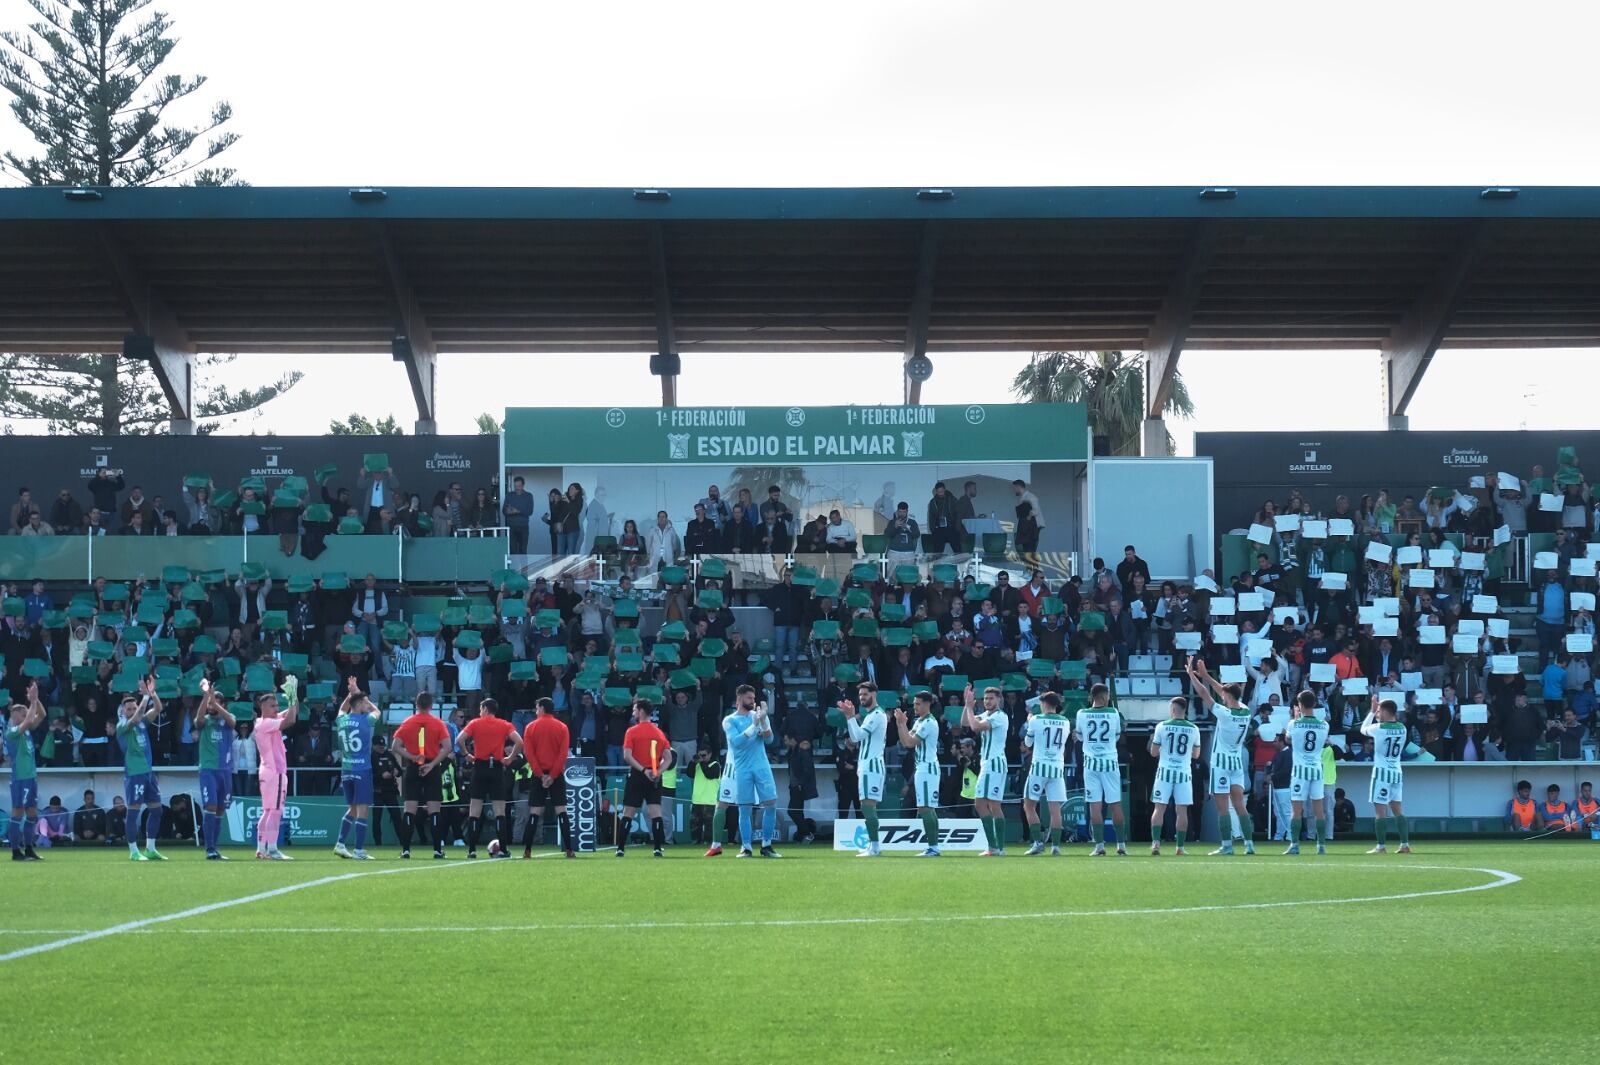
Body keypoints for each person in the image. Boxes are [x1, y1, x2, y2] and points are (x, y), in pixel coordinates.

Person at [1188, 658, 1256, 855]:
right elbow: (1222, 692)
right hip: (1236, 762)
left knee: (1223, 807)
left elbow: (1204, 694)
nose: (1222, 697)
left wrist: (1192, 675)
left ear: (1228, 696)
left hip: (1221, 763)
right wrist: (1207, 676)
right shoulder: (1245, 711)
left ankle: (1227, 845)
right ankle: (1249, 844)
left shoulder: (1225, 714)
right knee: (1239, 805)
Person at [456, 697, 523, 859]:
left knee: (475, 810)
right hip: (497, 768)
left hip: (480, 767)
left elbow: (459, 739)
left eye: (480, 709)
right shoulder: (504, 724)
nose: (480, 712)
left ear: (485, 709)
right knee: (500, 811)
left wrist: (466, 755)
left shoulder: (475, 723)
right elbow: (519, 742)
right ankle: (504, 849)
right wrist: (510, 758)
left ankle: (471, 850)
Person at [722, 684, 781, 858]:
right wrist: (754, 726)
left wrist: (763, 722)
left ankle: (766, 845)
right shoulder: (729, 720)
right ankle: (746, 847)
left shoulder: (758, 715)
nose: (753, 701)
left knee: (771, 805)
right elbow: (736, 742)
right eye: (749, 698)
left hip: (761, 766)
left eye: (754, 698)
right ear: (739, 699)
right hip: (742, 769)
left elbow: (770, 740)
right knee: (745, 809)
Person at [393, 692, 453, 859]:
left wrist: (412, 757)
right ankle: (437, 850)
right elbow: (447, 747)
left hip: (413, 766)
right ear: (431, 705)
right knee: (434, 810)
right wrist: (432, 764)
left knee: (409, 810)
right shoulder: (437, 723)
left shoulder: (408, 722)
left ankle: (405, 850)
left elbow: (395, 746)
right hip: (431, 766)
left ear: (416, 704)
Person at [116, 677, 167, 861]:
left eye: (133, 707)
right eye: (128, 709)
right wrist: (145, 697)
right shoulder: (122, 726)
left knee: (157, 810)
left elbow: (158, 709)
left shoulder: (143, 724)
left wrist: (152, 694)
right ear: (123, 711)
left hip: (148, 773)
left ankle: (150, 849)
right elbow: (136, 717)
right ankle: (133, 851)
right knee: (134, 811)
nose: (131, 711)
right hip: (134, 774)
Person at [615, 700, 674, 857]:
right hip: (654, 776)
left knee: (628, 812)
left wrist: (642, 770)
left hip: (637, 775)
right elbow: (668, 758)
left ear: (641, 711)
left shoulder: (632, 732)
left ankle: (620, 848)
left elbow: (627, 756)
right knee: (656, 812)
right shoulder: (659, 733)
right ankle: (657, 848)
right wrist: (658, 771)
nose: (633, 713)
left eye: (635, 710)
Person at [251, 680, 299, 861]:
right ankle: (272, 849)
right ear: (262, 707)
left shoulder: (264, 721)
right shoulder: (266, 724)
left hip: (266, 772)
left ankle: (261, 848)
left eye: (277, 705)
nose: (276, 708)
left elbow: (294, 712)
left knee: (268, 811)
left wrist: (294, 696)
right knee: (276, 811)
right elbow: (291, 720)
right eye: (272, 706)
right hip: (275, 772)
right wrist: (293, 696)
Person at [1076, 683, 1127, 856]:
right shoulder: (1114, 713)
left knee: (1095, 805)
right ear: (1104, 696)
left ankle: (1099, 846)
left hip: (1090, 764)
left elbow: (1080, 736)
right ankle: (1121, 845)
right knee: (1115, 804)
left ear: (1091, 696)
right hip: (1110, 763)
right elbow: (1117, 736)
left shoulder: (1081, 714)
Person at [332, 677, 380, 860]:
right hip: (362, 769)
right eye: (364, 702)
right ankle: (359, 850)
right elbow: (377, 710)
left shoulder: (341, 720)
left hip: (346, 770)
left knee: (352, 808)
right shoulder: (366, 721)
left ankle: (340, 844)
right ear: (359, 704)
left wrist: (352, 692)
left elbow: (343, 708)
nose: (367, 705)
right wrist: (358, 693)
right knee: (362, 809)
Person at [892, 690, 944, 857]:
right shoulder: (919, 721)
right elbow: (905, 740)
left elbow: (908, 742)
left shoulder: (928, 722)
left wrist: (901, 724)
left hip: (927, 768)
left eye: (918, 703)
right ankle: (934, 846)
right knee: (927, 808)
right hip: (922, 768)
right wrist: (901, 724)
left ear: (927, 704)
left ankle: (933, 847)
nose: (915, 706)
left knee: (925, 808)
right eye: (914, 703)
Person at [521, 697, 574, 858]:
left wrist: (540, 775)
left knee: (534, 812)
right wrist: (552, 775)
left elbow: (529, 753)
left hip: (539, 775)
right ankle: (569, 850)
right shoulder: (562, 727)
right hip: (556, 774)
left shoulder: (530, 727)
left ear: (542, 708)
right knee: (562, 811)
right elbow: (562, 754)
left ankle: (527, 850)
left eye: (537, 708)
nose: (536, 711)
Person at [1148, 697, 1200, 856]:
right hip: (1183, 773)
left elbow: (1153, 752)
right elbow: (1196, 755)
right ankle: (1180, 847)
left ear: (1172, 709)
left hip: (1164, 772)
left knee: (1159, 808)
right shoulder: (1194, 728)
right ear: (1185, 710)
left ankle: (1156, 843)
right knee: (1182, 810)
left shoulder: (1161, 726)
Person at [840, 682, 888, 856]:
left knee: (868, 807)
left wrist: (850, 717)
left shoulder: (876, 714)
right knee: (866, 807)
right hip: (867, 766)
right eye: (860, 695)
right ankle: (873, 846)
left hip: (872, 765)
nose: (862, 697)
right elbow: (855, 737)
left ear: (874, 694)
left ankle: (875, 847)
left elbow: (858, 736)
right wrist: (850, 717)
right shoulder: (869, 715)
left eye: (865, 694)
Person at [1020, 691, 1070, 857]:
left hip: (1039, 767)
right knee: (1055, 810)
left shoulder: (1035, 720)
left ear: (1044, 703)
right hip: (1057, 768)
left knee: (1029, 805)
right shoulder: (1065, 722)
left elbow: (1027, 743)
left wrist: (1028, 724)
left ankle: (1037, 843)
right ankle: (1056, 846)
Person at [192, 679, 238, 860]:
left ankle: (214, 848)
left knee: (220, 809)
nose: (212, 705)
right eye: (211, 703)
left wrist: (216, 703)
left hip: (225, 771)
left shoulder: (227, 719)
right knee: (210, 806)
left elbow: (233, 722)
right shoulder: (205, 722)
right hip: (208, 770)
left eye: (216, 702)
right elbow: (199, 718)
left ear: (223, 704)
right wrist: (206, 697)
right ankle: (209, 848)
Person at [1360, 695, 1411, 854]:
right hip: (1396, 772)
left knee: (1380, 810)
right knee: (1397, 809)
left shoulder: (1379, 728)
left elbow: (1363, 729)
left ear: (1385, 711)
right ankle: (1405, 844)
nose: (1377, 714)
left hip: (1381, 772)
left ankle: (1381, 846)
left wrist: (1370, 712)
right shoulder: (1403, 728)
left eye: (1379, 711)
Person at [963, 683, 1009, 856]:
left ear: (999, 700)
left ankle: (996, 847)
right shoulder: (986, 714)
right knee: (988, 804)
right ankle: (996, 847)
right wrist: (966, 704)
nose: (988, 701)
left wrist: (969, 707)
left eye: (991, 698)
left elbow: (975, 727)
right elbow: (965, 722)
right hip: (989, 764)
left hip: (994, 764)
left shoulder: (999, 716)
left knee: (986, 804)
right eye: (986, 698)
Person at [1285, 690, 1331, 856]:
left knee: (1296, 810)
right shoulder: (1324, 725)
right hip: (1317, 770)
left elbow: (1288, 739)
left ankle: (1295, 844)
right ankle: (1321, 845)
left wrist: (1296, 720)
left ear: (1300, 705)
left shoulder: (1293, 724)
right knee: (1319, 810)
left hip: (1300, 771)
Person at [6, 682, 46, 861]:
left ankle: (29, 848)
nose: (26, 717)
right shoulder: (12, 732)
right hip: (20, 778)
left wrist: (35, 701)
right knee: (17, 812)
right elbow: (30, 719)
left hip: (31, 777)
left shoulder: (26, 731)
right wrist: (33, 700)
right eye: (22, 715)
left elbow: (42, 715)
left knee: (32, 814)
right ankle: (15, 851)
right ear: (15, 717)